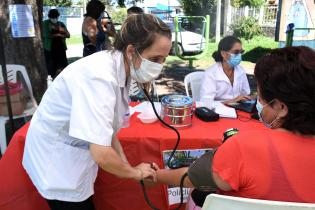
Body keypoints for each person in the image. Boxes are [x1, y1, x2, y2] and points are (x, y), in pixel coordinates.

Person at [22, 13, 172, 210]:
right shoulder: (99, 77)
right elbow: (101, 153)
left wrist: (130, 168)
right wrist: (135, 173)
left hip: (72, 157)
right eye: (155, 58)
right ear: (131, 51)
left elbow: (107, 130)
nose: (159, 66)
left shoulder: (122, 69)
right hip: (55, 163)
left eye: (164, 59)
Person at [155, 46, 315, 208]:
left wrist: (154, 175)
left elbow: (191, 178)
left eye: (260, 98)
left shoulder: (245, 147)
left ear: (281, 108)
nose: (257, 103)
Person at [200, 36, 250, 106]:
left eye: (241, 52)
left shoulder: (240, 70)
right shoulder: (211, 73)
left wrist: (251, 98)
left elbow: (246, 93)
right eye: (236, 52)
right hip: (218, 111)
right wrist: (232, 101)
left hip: (239, 108)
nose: (239, 55)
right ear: (223, 54)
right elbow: (205, 103)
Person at [43, 9, 70, 78]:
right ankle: (51, 79)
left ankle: (62, 77)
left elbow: (68, 35)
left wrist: (62, 31)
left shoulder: (61, 24)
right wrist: (59, 34)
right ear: (49, 17)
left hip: (60, 48)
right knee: (51, 67)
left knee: (62, 66)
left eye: (56, 17)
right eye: (53, 17)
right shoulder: (45, 23)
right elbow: (47, 35)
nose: (54, 19)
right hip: (50, 49)